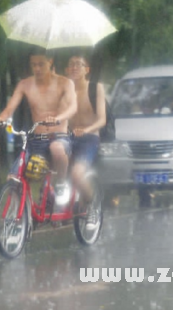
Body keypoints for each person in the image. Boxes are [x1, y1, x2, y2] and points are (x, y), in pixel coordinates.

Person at [0, 50, 77, 186]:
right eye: (33, 65)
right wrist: (1, 118)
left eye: (41, 64)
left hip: (59, 136)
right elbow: (9, 108)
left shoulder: (65, 83)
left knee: (57, 148)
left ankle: (61, 184)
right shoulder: (24, 84)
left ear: (50, 61)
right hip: (36, 140)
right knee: (13, 177)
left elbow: (72, 108)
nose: (37, 68)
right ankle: (17, 205)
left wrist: (57, 118)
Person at [65, 55, 107, 230]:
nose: (74, 68)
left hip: (89, 138)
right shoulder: (65, 90)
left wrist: (87, 130)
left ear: (86, 70)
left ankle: (92, 207)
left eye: (78, 65)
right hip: (68, 137)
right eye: (71, 65)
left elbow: (102, 119)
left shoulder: (95, 88)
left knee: (77, 174)